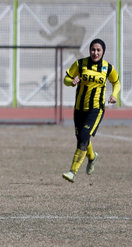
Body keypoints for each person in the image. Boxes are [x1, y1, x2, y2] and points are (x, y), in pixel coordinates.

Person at [62, 38, 120, 182]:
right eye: (93, 50)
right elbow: (66, 79)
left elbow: (116, 82)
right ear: (90, 50)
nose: (95, 53)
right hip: (79, 108)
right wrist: (71, 82)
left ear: (103, 52)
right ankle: (92, 157)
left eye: (98, 50)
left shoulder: (108, 68)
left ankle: (72, 172)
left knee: (83, 136)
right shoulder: (80, 64)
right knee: (82, 137)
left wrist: (114, 95)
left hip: (96, 109)